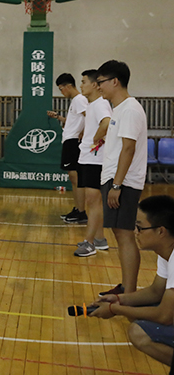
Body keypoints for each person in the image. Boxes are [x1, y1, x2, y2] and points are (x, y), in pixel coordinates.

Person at [90, 195, 174, 367]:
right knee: (135, 309)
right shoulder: (166, 252)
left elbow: (164, 316)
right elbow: (155, 292)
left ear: (161, 231)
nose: (135, 232)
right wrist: (119, 299)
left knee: (139, 332)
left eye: (140, 228)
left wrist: (114, 309)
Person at [97, 59, 147, 295]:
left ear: (115, 81)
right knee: (120, 234)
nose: (98, 87)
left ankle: (129, 291)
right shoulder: (119, 109)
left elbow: (128, 148)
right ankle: (126, 287)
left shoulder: (130, 109)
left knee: (125, 235)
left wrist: (116, 185)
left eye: (101, 82)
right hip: (116, 179)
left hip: (123, 182)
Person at [73, 69, 112, 257]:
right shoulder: (92, 105)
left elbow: (107, 122)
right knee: (93, 201)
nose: (81, 85)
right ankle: (100, 239)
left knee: (93, 201)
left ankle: (89, 243)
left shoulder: (101, 104)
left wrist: (96, 138)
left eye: (83, 82)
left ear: (95, 85)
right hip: (87, 157)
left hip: (95, 159)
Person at [47, 73, 88, 224]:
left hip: (74, 142)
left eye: (61, 89)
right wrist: (58, 117)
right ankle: (78, 208)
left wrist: (85, 131)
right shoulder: (76, 101)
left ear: (68, 86)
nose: (61, 92)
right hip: (70, 140)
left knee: (76, 177)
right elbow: (74, 121)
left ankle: (81, 212)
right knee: (73, 177)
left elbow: (90, 117)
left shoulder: (79, 100)